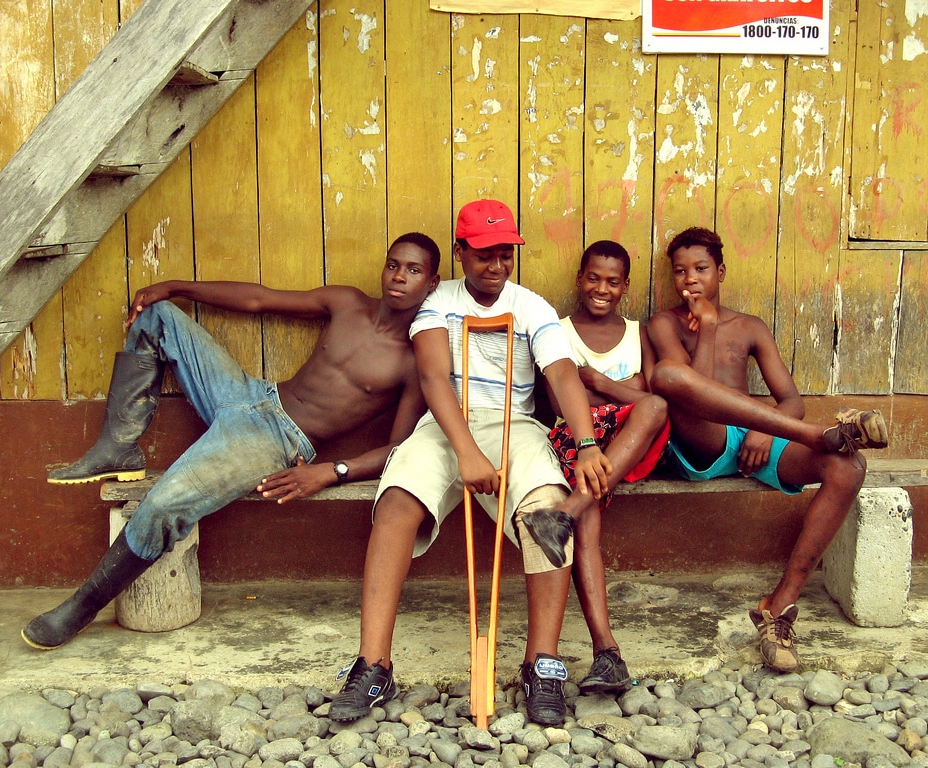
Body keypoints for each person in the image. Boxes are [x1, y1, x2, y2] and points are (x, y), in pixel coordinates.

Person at [23, 233, 442, 650]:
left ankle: (83, 606)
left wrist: (331, 472)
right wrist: (175, 287)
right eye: (393, 265)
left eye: (413, 270)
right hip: (251, 394)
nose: (398, 277)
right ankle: (117, 447)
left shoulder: (412, 360)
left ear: (432, 282)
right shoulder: (348, 302)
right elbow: (260, 299)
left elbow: (398, 448)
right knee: (157, 314)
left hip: (277, 438)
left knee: (165, 504)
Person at [328, 199, 612, 727]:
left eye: (506, 254)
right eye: (484, 255)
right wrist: (466, 452)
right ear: (460, 252)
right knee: (397, 501)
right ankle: (373, 666)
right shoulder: (438, 302)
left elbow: (562, 374)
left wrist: (587, 442)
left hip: (515, 426)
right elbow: (434, 378)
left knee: (548, 512)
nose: (497, 265)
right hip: (446, 424)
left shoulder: (531, 307)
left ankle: (542, 664)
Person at [646, 226, 889, 673]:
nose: (690, 279)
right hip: (704, 440)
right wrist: (708, 328)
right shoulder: (664, 324)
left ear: (720, 271)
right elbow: (690, 393)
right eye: (680, 272)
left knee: (848, 466)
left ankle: (778, 609)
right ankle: (818, 434)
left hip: (756, 436)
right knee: (669, 376)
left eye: (701, 269)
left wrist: (763, 428)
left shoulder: (751, 327)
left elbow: (791, 399)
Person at [545, 240, 669, 694]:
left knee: (654, 407)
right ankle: (607, 653)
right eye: (593, 278)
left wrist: (596, 382)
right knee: (589, 519)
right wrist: (626, 388)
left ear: (626, 286)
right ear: (580, 279)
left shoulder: (639, 333)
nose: (602, 289)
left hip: (629, 444)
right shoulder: (557, 331)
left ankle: (565, 513)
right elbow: (559, 401)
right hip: (578, 444)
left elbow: (654, 400)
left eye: (612, 282)